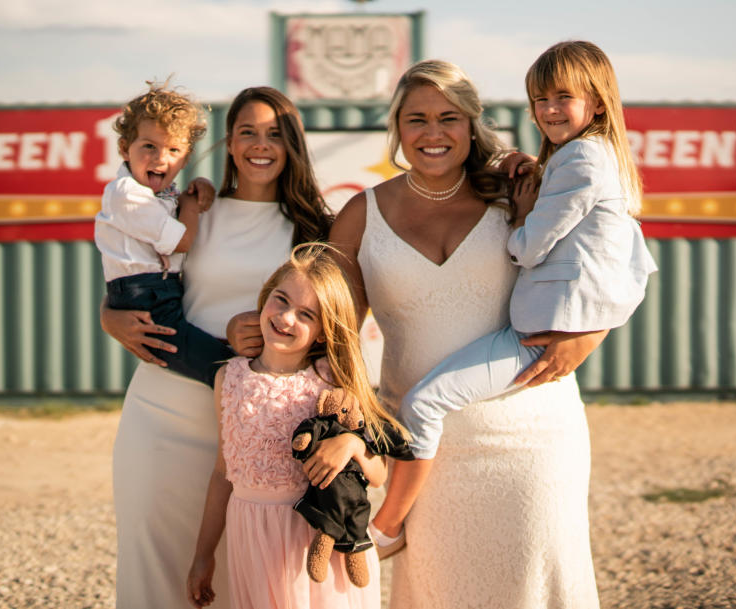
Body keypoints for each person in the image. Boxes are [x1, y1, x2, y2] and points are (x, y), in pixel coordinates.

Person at [327, 58, 606, 608]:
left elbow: (605, 262)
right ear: (397, 128)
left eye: (449, 117)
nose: (433, 133)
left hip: (532, 435)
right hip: (421, 457)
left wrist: (594, 332)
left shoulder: (518, 192)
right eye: (417, 119)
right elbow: (333, 332)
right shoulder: (362, 214)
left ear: (472, 124)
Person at [101, 86, 331, 609]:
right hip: (162, 414)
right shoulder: (192, 208)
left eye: (275, 134)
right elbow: (129, 275)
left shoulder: (314, 227)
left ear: (293, 144)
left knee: (239, 576)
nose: (260, 144)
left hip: (258, 429)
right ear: (229, 143)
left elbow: (332, 327)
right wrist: (108, 315)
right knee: (153, 565)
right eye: (247, 131)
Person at [396, 41, 658, 463]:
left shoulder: (582, 161)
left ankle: (388, 525)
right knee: (424, 402)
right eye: (541, 99)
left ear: (597, 104)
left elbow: (530, 249)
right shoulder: (591, 156)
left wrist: (519, 219)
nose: (550, 109)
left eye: (563, 97)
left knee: (422, 404)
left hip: (538, 334)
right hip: (540, 327)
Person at [187, 243, 406, 609]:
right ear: (265, 297)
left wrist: (352, 445)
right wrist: (202, 555)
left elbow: (378, 474)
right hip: (252, 538)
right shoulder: (230, 379)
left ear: (322, 332)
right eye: (281, 300)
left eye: (306, 314)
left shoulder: (330, 383)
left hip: (313, 539)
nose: (286, 318)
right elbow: (223, 473)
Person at [94, 81, 232, 387]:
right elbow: (182, 241)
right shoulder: (126, 194)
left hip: (161, 291)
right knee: (223, 367)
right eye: (149, 147)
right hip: (146, 298)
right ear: (123, 149)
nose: (160, 158)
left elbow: (177, 211)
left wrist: (197, 190)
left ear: (185, 156)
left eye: (173, 150)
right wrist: (191, 205)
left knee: (219, 362)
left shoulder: (160, 193)